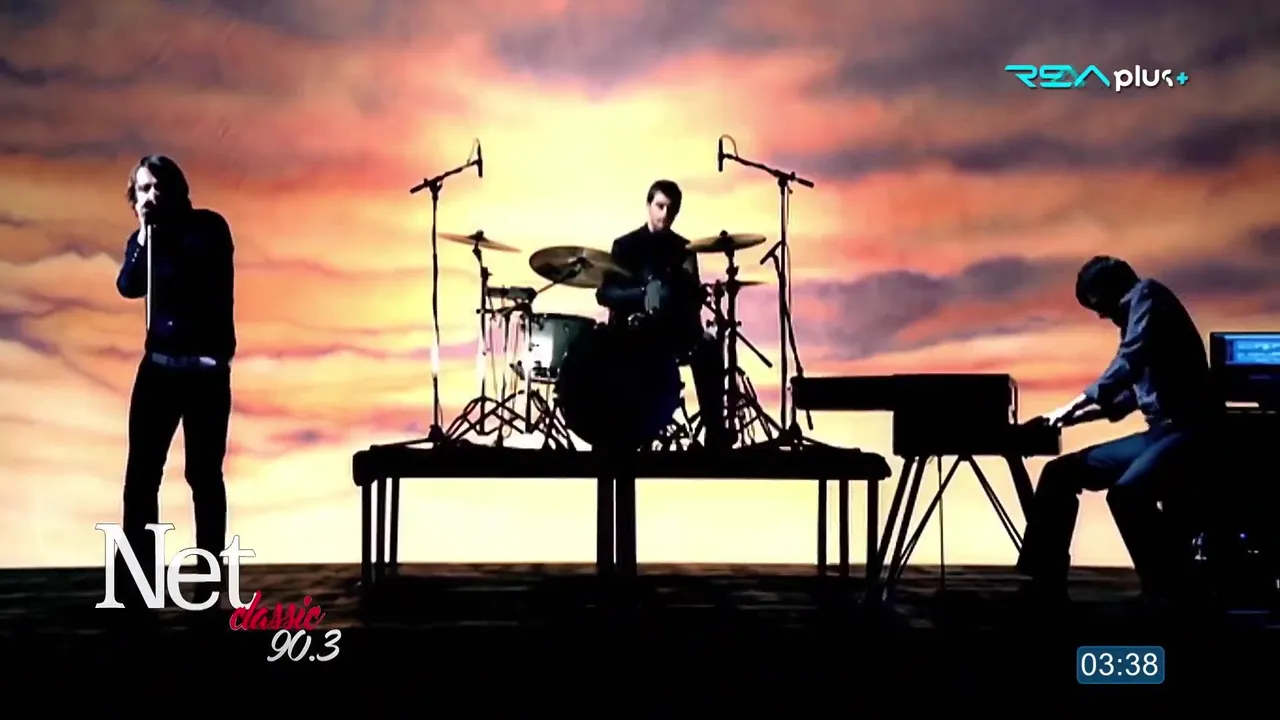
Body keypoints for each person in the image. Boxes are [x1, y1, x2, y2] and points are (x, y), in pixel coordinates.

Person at [1017, 256, 1213, 604]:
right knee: (1060, 473)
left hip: (1189, 430)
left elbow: (1127, 361)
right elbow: (1124, 400)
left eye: (1098, 305)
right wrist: (1064, 419)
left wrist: (1071, 405)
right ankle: (1044, 584)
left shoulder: (1147, 296)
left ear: (1110, 288)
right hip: (1159, 433)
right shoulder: (1142, 320)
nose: (1101, 315)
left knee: (1127, 494)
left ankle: (1167, 589)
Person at [114, 155, 236, 607]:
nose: (150, 196)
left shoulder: (208, 228)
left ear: (176, 188)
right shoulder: (144, 241)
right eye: (142, 190)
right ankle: (137, 580)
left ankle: (209, 579)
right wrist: (145, 235)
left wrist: (159, 234)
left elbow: (194, 273)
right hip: (159, 371)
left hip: (204, 373)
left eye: (157, 187)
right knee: (142, 477)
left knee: (203, 475)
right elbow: (128, 286)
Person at [596, 180, 729, 449]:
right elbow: (605, 294)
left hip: (671, 333)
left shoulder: (685, 248)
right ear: (648, 205)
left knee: (709, 347)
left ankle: (715, 435)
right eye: (660, 206)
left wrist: (688, 296)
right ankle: (613, 436)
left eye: (672, 209)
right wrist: (642, 295)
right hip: (631, 333)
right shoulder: (625, 246)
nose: (666, 214)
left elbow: (693, 298)